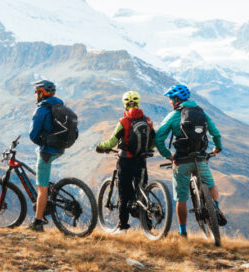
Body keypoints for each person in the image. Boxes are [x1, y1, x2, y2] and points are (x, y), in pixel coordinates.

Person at [153, 84, 225, 238]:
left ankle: (182, 232)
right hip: (200, 158)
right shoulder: (201, 113)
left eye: (171, 99)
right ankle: (216, 209)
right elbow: (215, 133)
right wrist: (217, 148)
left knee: (181, 198)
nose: (170, 102)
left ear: (177, 99)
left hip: (182, 162)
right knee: (211, 185)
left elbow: (159, 138)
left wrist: (169, 156)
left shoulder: (173, 116)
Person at [95, 91, 155, 231]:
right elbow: (154, 140)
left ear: (125, 104)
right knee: (141, 192)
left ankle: (122, 227)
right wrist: (145, 150)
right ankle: (149, 227)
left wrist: (100, 147)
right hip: (141, 161)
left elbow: (111, 142)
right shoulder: (148, 120)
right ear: (138, 102)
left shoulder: (123, 122)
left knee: (124, 194)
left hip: (125, 161)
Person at [27, 79, 66, 231]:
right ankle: (47, 199)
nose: (35, 95)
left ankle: (37, 223)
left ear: (41, 93)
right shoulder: (60, 105)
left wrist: (42, 143)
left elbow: (33, 135)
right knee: (44, 178)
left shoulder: (41, 110)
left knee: (41, 189)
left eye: (36, 92)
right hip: (59, 149)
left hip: (47, 151)